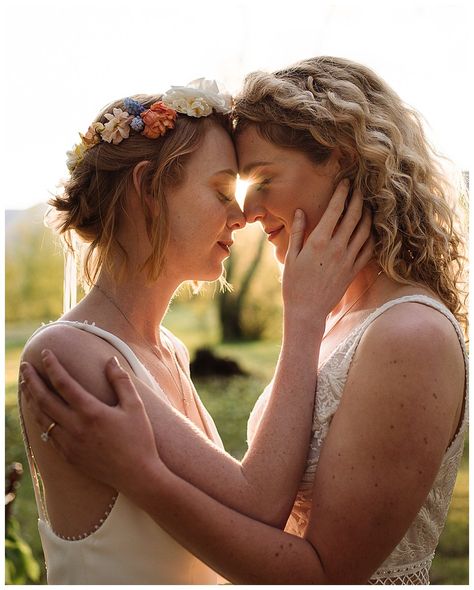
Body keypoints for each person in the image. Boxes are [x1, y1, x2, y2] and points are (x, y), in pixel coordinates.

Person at [20, 56, 468, 584]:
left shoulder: (403, 333)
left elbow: (300, 550)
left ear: (344, 160)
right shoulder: (90, 352)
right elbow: (250, 509)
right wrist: (305, 318)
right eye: (225, 189)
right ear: (148, 190)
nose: (245, 213)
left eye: (263, 179)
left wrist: (141, 474)